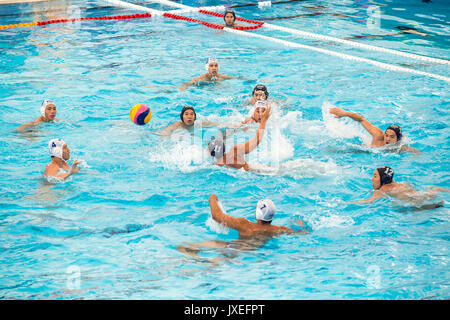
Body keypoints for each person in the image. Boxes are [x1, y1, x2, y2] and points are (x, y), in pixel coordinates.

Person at [177, 194, 308, 261]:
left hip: (231, 247)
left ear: (257, 213)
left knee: (184, 247)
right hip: (243, 254)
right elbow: (301, 234)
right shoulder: (279, 230)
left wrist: (212, 198)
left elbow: (217, 216)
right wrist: (301, 224)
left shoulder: (245, 225)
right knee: (211, 261)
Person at [348, 166, 448, 208]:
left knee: (400, 209)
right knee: (434, 189)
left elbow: (370, 201)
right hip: (425, 195)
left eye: (375, 176)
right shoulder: (402, 183)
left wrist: (349, 203)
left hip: (417, 201)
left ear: (383, 179)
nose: (371, 179)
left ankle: (432, 206)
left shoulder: (383, 189)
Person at [207, 105, 271, 171]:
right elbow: (256, 140)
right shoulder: (235, 152)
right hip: (263, 171)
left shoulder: (215, 165)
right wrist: (263, 121)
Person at [329, 107, 419, 153]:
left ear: (397, 139)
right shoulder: (378, 135)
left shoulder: (399, 147)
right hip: (362, 150)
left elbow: (415, 151)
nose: (387, 138)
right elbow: (361, 119)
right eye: (386, 135)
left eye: (392, 137)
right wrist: (345, 113)